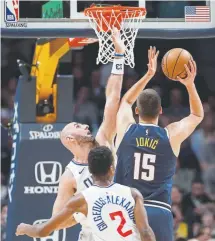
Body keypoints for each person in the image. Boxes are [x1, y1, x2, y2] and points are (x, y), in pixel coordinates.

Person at [114, 48, 204, 241]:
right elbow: (197, 115)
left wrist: (148, 74)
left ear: (137, 110)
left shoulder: (125, 130)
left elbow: (125, 101)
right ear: (161, 110)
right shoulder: (170, 134)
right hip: (159, 211)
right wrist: (189, 84)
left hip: (126, 209)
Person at [51, 27, 126, 240]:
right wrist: (82, 212)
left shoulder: (103, 140)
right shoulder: (69, 176)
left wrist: (119, 56)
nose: (85, 127)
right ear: (69, 139)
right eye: (77, 126)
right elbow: (56, 220)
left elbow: (113, 98)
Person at [16, 146, 156, 241]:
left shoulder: (81, 199)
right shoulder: (133, 194)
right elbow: (145, 232)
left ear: (90, 170)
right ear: (112, 169)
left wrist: (25, 228)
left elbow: (43, 231)